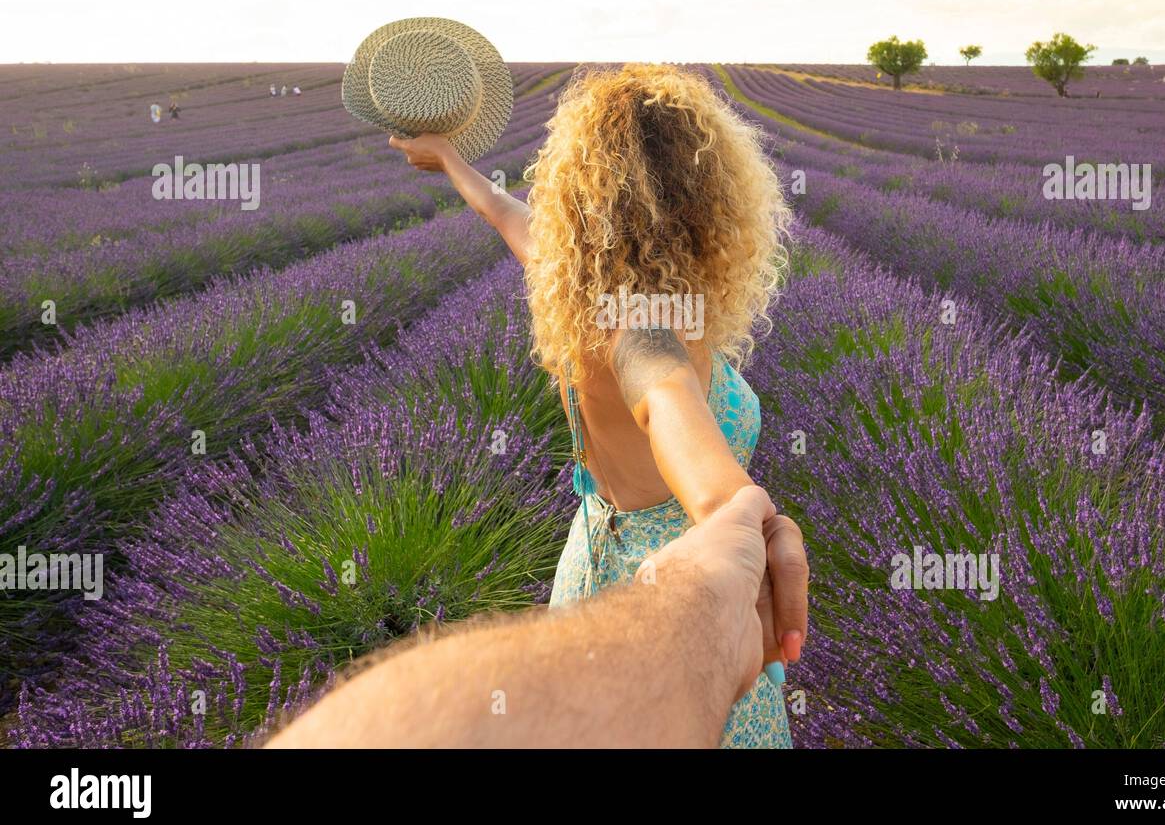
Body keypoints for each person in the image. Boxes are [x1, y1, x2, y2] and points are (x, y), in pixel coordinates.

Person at [387, 64, 800, 748]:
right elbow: (666, 400)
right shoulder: (639, 329)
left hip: (594, 569)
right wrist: (732, 510)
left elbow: (506, 214)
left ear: (582, 200)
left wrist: (448, 158)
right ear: (709, 197)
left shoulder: (578, 290)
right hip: (673, 594)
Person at [266, 485, 804, 748]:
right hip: (660, 567)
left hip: (609, 560)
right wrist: (741, 515)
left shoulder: (591, 307)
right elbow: (674, 413)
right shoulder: (646, 338)